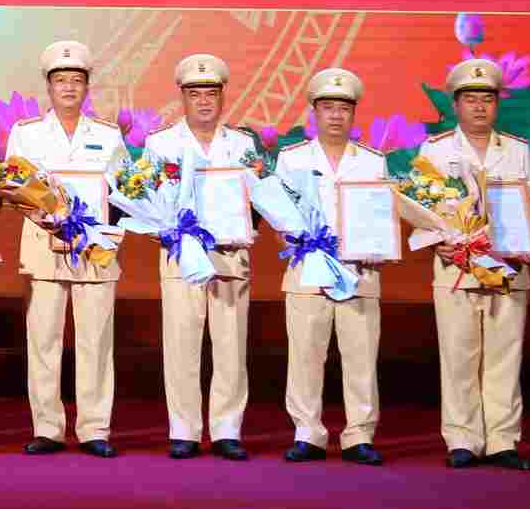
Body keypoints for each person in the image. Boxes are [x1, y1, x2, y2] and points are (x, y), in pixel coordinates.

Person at [423, 56, 530, 472]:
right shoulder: (435, 150)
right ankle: (461, 438)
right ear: (455, 106)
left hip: (508, 271)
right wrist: (437, 244)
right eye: (470, 99)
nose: (479, 107)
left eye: (487, 99)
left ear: (496, 105)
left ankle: (502, 441)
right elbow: (426, 210)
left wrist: (528, 243)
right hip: (456, 271)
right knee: (458, 357)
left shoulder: (517, 149)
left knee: (504, 357)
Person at [6, 40, 126, 458]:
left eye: (77, 81)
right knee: (43, 341)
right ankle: (48, 427)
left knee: (95, 340)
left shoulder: (109, 136)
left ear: (87, 88)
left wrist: (105, 231)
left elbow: (125, 192)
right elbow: (12, 190)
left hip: (94, 251)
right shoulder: (26, 133)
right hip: (43, 248)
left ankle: (94, 429)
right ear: (49, 88)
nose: (69, 88)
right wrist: (44, 215)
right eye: (61, 81)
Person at [143, 52, 263, 461]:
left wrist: (247, 228)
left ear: (222, 96)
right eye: (195, 93)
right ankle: (184, 429)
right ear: (182, 97)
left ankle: (228, 429)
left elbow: (261, 199)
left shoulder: (243, 144)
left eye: (211, 92)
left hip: (231, 255)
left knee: (231, 344)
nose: (204, 101)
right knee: (181, 342)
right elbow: (147, 199)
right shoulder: (160, 144)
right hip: (181, 256)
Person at [278, 68, 387, 466]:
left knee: (360, 357)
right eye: (327, 108)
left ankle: (359, 434)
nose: (336, 115)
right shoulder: (292, 159)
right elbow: (280, 216)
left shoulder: (374, 162)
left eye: (344, 108)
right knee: (305, 355)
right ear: (314, 113)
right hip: (308, 271)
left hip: (360, 273)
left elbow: (382, 217)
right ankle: (308, 433)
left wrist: (375, 245)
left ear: (353, 114)